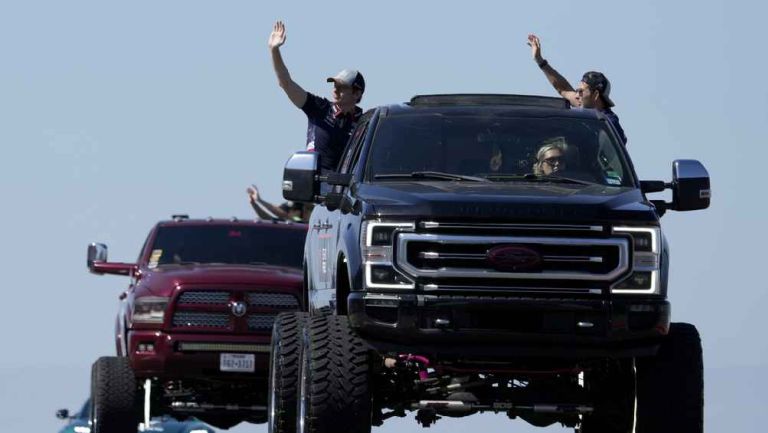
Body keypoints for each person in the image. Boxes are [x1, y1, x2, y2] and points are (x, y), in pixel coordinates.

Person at [268, 21, 366, 171]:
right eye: (334, 85)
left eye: (342, 86)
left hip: (345, 191)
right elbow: (286, 83)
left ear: (357, 93)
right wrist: (274, 50)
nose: (335, 89)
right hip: (315, 189)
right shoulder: (320, 107)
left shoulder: (364, 123)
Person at [527, 34, 628, 145]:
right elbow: (563, 89)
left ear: (595, 95)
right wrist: (540, 61)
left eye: (581, 91)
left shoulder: (609, 124)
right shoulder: (584, 104)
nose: (576, 95)